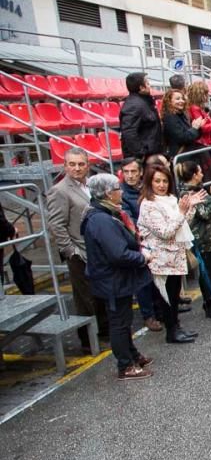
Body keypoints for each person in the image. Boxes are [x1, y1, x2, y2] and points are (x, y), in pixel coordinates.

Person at [80, 174, 154, 381]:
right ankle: (125, 365)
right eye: (117, 189)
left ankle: (132, 356)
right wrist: (142, 257)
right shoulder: (101, 219)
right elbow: (117, 253)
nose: (121, 192)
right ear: (107, 193)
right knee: (119, 323)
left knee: (124, 320)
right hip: (111, 281)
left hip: (115, 279)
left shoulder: (105, 213)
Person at [47, 147, 108, 348]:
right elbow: (57, 224)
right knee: (85, 298)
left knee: (99, 294)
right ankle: (87, 340)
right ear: (64, 166)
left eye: (81, 164)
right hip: (79, 253)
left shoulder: (90, 186)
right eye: (72, 164)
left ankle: (102, 332)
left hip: (96, 251)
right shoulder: (59, 190)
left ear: (88, 166)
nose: (77, 168)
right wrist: (71, 252)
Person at [137, 164, 205, 345]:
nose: (161, 185)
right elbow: (165, 232)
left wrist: (190, 208)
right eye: (157, 181)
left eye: (165, 181)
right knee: (166, 297)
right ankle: (171, 332)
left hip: (176, 256)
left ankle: (177, 327)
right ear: (149, 182)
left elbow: (182, 224)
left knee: (174, 296)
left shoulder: (170, 199)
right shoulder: (148, 205)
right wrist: (182, 212)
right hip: (161, 259)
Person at [177, 161, 211, 319]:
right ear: (194, 175)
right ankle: (209, 304)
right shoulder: (187, 194)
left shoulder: (198, 190)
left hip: (210, 237)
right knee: (205, 274)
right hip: (202, 240)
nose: (202, 174)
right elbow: (205, 214)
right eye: (199, 172)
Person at [118, 157, 161, 332]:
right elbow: (129, 220)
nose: (130, 175)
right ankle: (148, 315)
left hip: (154, 238)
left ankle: (160, 310)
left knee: (157, 278)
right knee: (143, 281)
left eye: (133, 171)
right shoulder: (121, 193)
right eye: (126, 172)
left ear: (141, 172)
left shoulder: (146, 187)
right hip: (138, 242)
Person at [120, 72, 163, 161]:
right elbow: (129, 132)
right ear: (141, 87)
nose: (150, 85)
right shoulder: (133, 105)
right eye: (147, 83)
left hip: (151, 153)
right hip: (143, 158)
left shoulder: (144, 102)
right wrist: (141, 153)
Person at [160, 88, 204, 162]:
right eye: (177, 99)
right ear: (169, 101)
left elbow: (192, 136)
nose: (182, 101)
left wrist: (199, 127)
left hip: (188, 154)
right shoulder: (169, 117)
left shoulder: (182, 115)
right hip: (181, 157)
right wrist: (194, 128)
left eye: (182, 98)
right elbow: (182, 137)